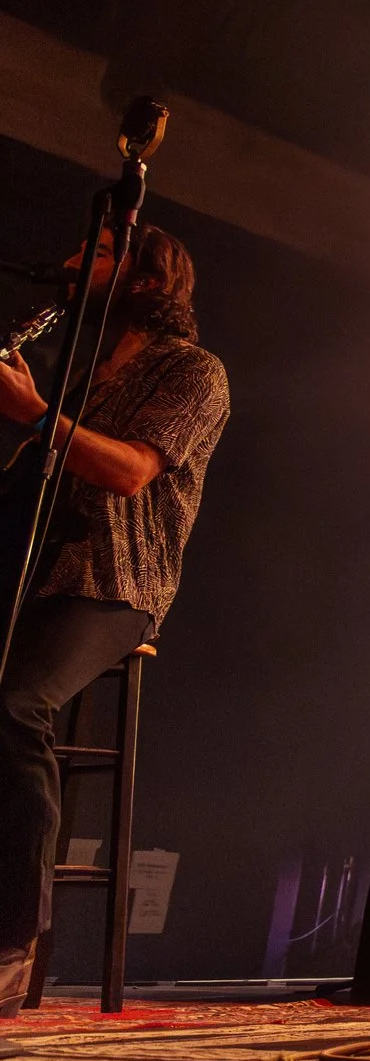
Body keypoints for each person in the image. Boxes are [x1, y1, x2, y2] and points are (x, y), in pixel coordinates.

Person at [0, 225, 229, 1012]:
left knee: (14, 703)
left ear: (144, 280)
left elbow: (131, 472)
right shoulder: (85, 374)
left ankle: (10, 941)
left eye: (93, 252)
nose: (68, 263)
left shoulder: (195, 372)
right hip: (31, 578)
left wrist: (34, 415)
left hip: (114, 584)